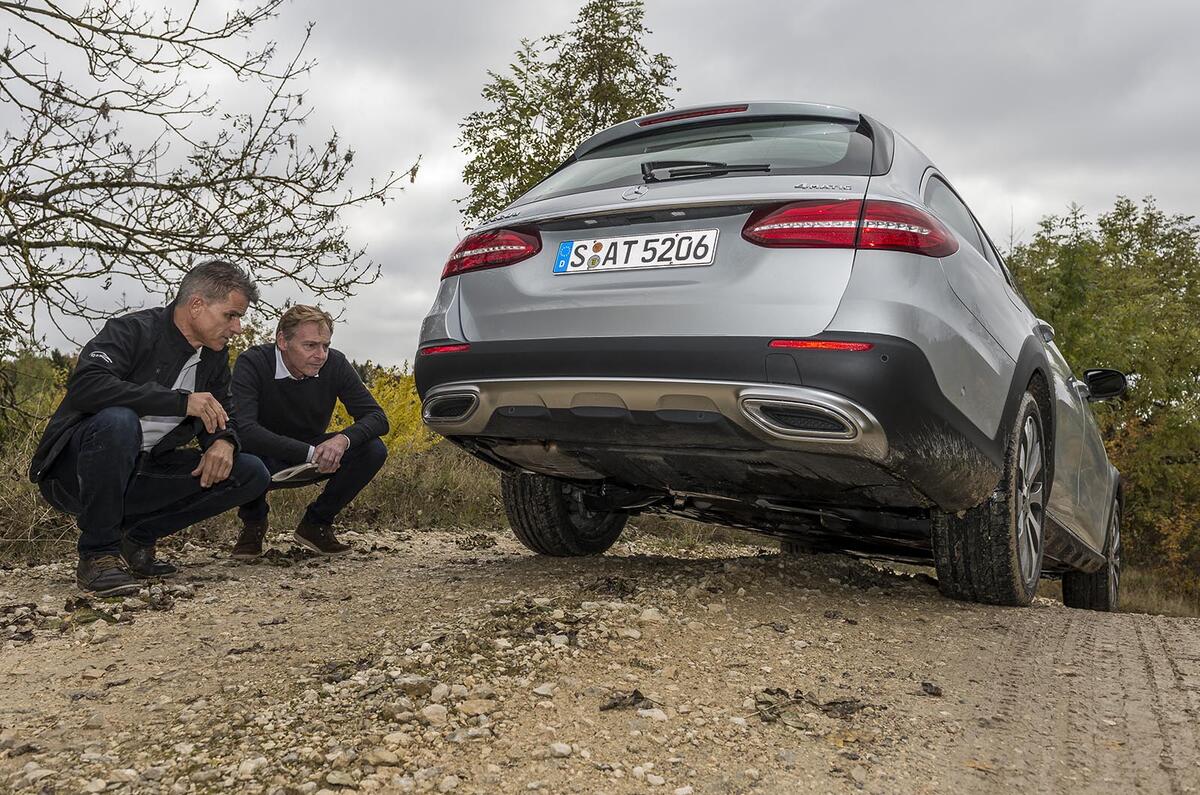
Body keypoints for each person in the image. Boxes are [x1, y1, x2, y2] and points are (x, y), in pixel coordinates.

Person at [29, 261, 271, 596]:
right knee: (119, 421)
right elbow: (87, 386)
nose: (238, 327)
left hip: (143, 472)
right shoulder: (132, 330)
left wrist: (223, 441)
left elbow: (222, 412)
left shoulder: (214, 357)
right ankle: (98, 555)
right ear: (197, 305)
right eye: (231, 315)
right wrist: (180, 402)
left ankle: (137, 539)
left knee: (251, 472)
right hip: (75, 473)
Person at [230, 305, 388, 558]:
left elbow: (377, 418)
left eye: (325, 345)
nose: (320, 355)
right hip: (263, 454)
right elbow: (245, 430)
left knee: (373, 448)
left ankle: (316, 524)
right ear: (283, 341)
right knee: (239, 450)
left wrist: (342, 440)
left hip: (312, 451)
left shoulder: (335, 363)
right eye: (310, 345)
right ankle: (253, 524)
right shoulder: (253, 362)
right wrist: (311, 453)